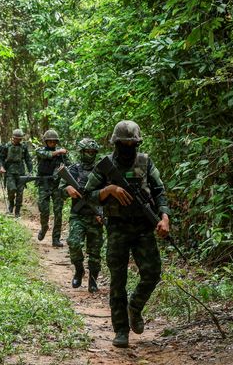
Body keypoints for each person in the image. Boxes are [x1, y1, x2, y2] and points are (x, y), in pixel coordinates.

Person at [85, 120, 170, 348]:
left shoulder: (145, 162)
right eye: (122, 144)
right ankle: (121, 330)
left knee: (152, 273)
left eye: (131, 144)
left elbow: (160, 191)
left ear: (137, 143)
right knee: (118, 281)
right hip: (117, 228)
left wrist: (164, 217)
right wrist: (109, 190)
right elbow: (88, 195)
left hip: (143, 227)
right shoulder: (105, 165)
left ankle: (135, 307)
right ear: (115, 144)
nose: (127, 147)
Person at [60, 138, 104, 292]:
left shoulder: (101, 171)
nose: (90, 154)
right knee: (74, 243)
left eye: (93, 152)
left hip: (95, 215)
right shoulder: (73, 169)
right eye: (87, 151)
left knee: (95, 250)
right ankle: (79, 270)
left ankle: (93, 280)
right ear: (81, 152)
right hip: (77, 215)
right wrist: (67, 189)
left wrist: (102, 213)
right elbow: (60, 189)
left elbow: (107, 195)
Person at [35, 129, 70, 247]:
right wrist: (59, 152)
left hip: (57, 186)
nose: (52, 144)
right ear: (46, 142)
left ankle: (56, 238)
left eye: (54, 142)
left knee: (58, 212)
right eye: (50, 142)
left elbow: (69, 167)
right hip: (44, 184)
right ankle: (44, 227)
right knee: (44, 210)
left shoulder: (62, 155)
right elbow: (46, 155)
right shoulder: (41, 150)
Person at [0, 129, 33, 217]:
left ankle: (17, 211)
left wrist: (30, 171)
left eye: (19, 139)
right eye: (16, 139)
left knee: (20, 192)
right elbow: (1, 158)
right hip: (9, 171)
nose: (17, 140)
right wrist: (1, 167)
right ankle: (11, 204)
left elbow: (28, 159)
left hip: (21, 172)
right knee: (11, 189)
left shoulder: (24, 147)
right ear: (13, 138)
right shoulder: (6, 146)